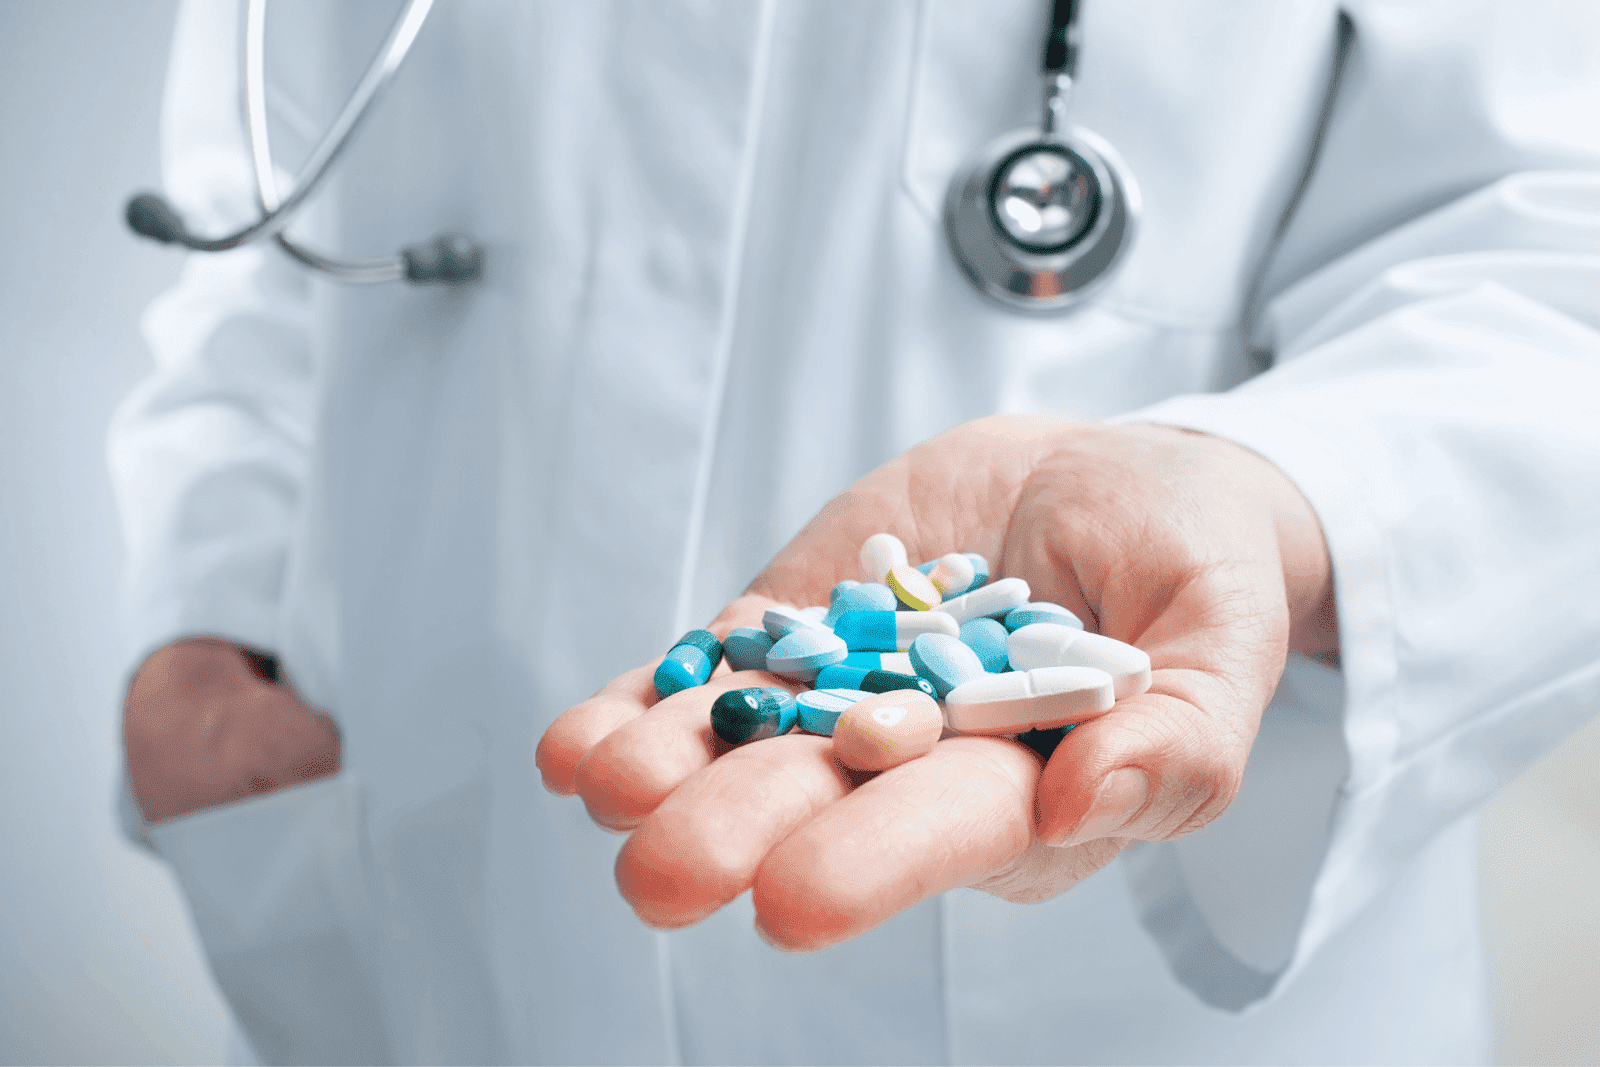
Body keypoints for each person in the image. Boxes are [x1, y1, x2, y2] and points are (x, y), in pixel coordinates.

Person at [114, 1, 1600, 1063]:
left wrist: (1274, 495)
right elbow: (257, 216)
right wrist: (204, 622)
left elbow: (1558, 253)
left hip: (1099, 994)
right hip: (435, 902)